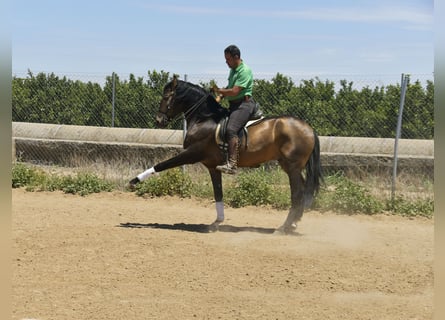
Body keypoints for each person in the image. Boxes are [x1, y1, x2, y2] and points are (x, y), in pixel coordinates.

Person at [214, 45, 255, 174]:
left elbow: (235, 91)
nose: (226, 62)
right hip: (234, 105)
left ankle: (232, 164)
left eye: (228, 59)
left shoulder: (244, 71)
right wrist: (220, 96)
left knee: (231, 129)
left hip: (244, 105)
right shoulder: (233, 69)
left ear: (236, 57)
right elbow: (230, 86)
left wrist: (218, 90)